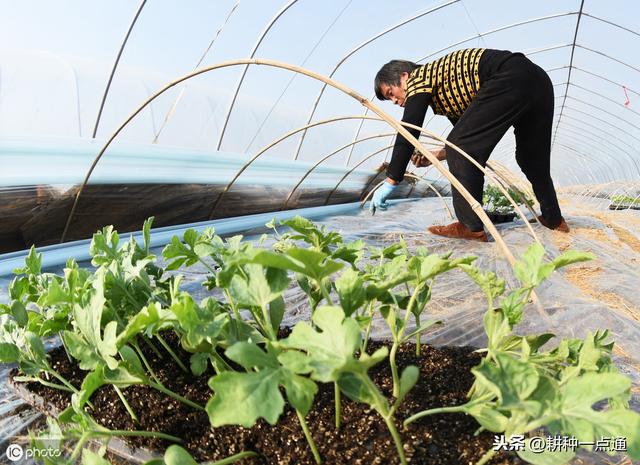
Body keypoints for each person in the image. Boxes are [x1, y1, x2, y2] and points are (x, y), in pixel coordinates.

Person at [371, 48, 569, 242]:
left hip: (509, 75)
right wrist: (436, 156)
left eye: (391, 93)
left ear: (404, 76)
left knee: (463, 147)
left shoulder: (419, 78)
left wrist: (392, 179)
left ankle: (469, 226)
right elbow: (468, 138)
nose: (395, 101)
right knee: (531, 158)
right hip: (538, 81)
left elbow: (409, 130)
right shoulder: (445, 87)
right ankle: (554, 219)